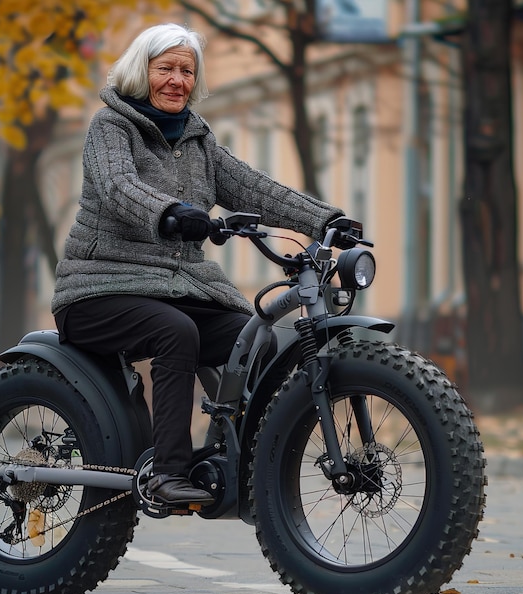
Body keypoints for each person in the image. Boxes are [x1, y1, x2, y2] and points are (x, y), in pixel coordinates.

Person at [51, 23, 344, 506]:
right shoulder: (111, 126)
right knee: (176, 333)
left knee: (254, 338)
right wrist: (170, 214)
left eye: (187, 71)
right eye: (165, 68)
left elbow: (253, 188)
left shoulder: (198, 138)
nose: (177, 80)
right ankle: (169, 472)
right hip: (99, 287)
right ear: (140, 72)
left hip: (177, 288)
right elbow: (118, 186)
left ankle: (245, 462)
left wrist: (328, 219)